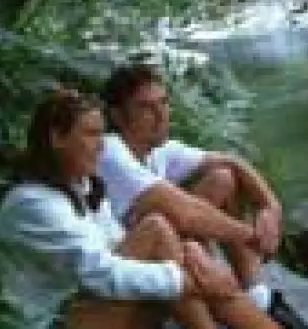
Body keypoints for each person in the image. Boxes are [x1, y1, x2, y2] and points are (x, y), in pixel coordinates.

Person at [0, 90, 281, 329]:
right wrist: (190, 280)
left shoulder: (80, 188)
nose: (101, 146)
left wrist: (188, 261)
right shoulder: (33, 203)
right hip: (54, 321)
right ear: (57, 138)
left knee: (163, 234)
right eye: (90, 134)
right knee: (162, 237)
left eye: (102, 135)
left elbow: (118, 244)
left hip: (83, 306)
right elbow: (101, 274)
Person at [98, 64, 282, 303]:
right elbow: (186, 214)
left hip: (161, 256)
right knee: (166, 218)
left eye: (163, 103)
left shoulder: (158, 150)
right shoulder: (110, 151)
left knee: (222, 177)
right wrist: (256, 237)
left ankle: (257, 295)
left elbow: (233, 162)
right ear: (118, 116)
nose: (161, 115)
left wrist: (271, 208)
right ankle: (227, 302)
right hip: (128, 272)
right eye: (146, 107)